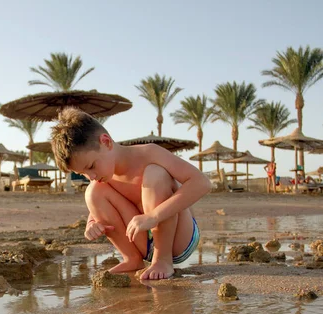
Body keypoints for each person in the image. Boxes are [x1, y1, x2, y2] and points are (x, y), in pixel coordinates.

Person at [50, 108, 212, 280]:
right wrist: (92, 222)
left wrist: (154, 216)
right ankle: (132, 259)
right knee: (93, 191)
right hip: (142, 243)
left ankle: (163, 259)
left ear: (106, 142)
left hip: (179, 239)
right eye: (82, 173)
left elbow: (202, 182)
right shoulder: (103, 174)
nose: (91, 176)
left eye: (91, 167)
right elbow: (99, 204)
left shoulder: (149, 153)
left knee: (155, 173)